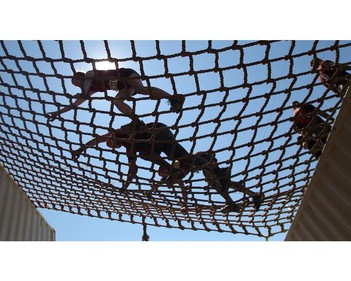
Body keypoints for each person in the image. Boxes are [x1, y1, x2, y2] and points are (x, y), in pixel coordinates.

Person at [71, 121, 263, 213]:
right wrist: (126, 186)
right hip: (167, 146)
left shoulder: (120, 133)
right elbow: (133, 170)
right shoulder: (129, 150)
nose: (113, 144)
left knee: (150, 155)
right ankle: (243, 199)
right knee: (218, 184)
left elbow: (103, 138)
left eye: (112, 143)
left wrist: (82, 148)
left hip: (160, 134)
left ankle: (228, 188)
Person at [46, 68, 185, 123]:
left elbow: (85, 85)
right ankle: (137, 121)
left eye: (75, 82)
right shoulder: (90, 90)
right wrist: (58, 112)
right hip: (124, 87)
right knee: (117, 101)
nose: (76, 85)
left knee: (142, 90)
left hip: (126, 75)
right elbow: (74, 105)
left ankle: (174, 98)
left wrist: (82, 93)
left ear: (79, 77)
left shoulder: (89, 75)